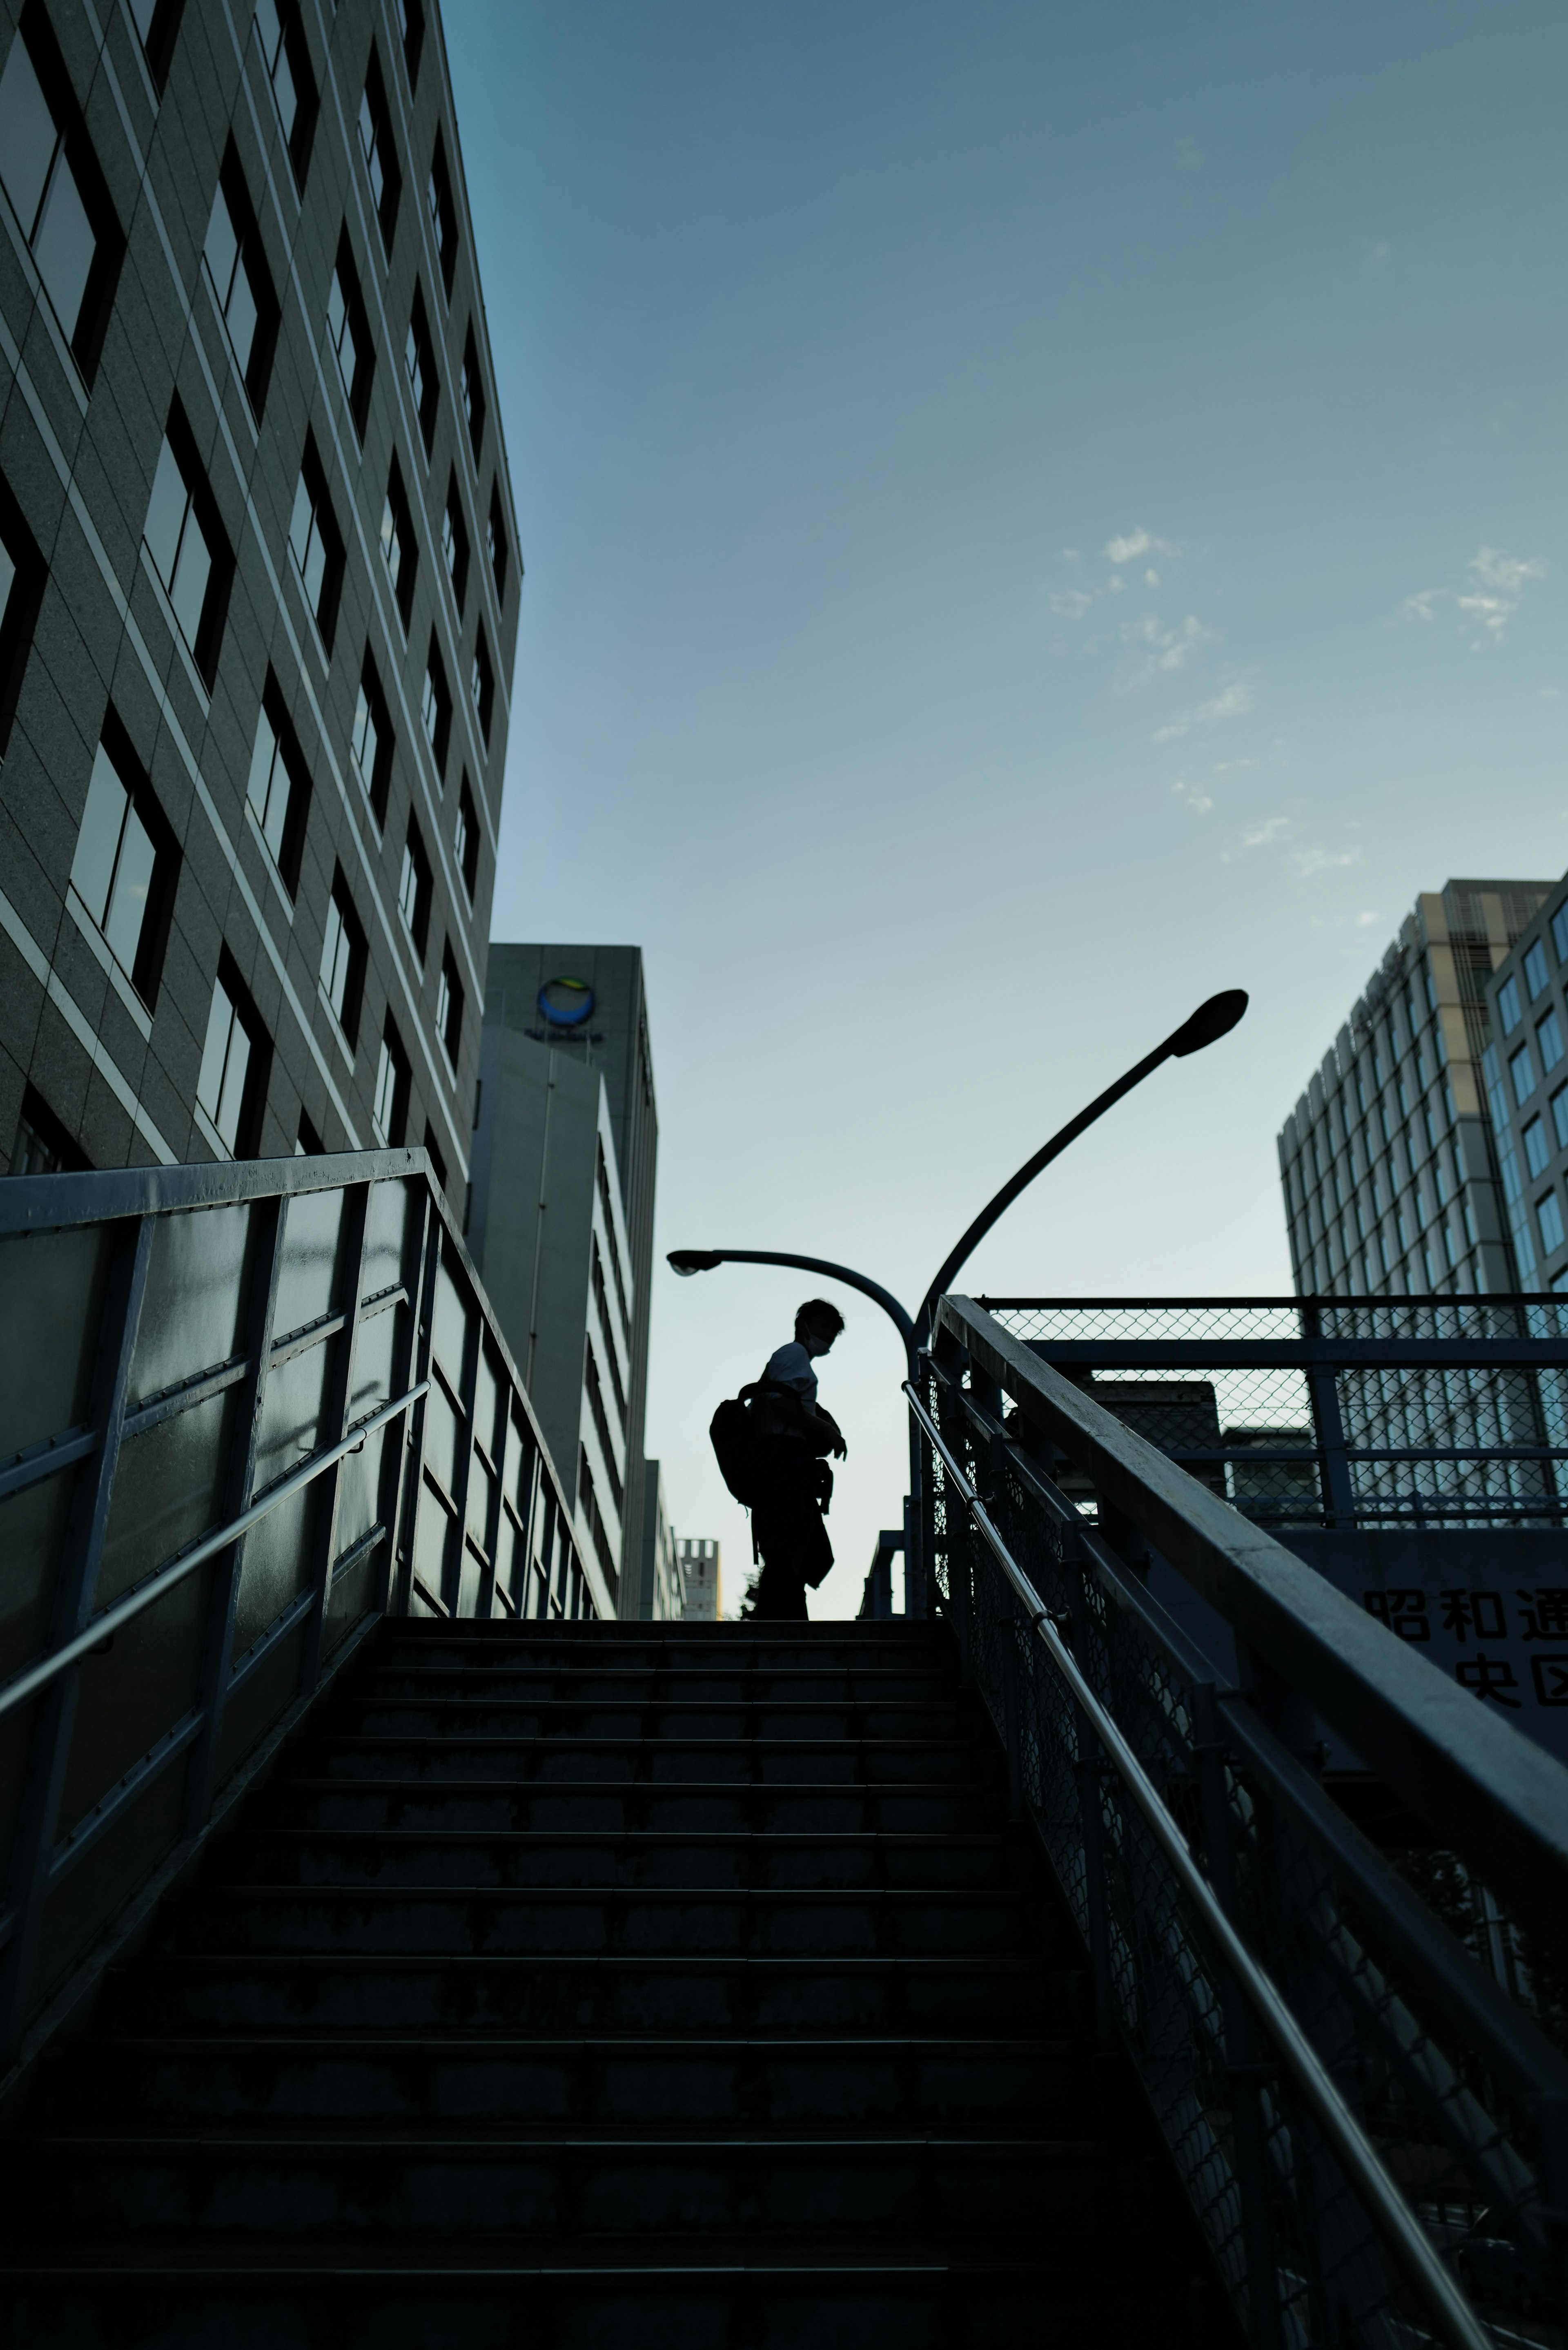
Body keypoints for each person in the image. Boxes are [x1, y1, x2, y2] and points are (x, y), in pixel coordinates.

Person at [746, 1300, 847, 1621]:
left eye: (832, 1334)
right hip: (782, 1459)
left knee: (792, 1547)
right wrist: (827, 1431)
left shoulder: (797, 1359)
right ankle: (782, 1624)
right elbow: (780, 1402)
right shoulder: (794, 1354)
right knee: (790, 1546)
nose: (827, 1337)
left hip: (782, 1459)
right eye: (823, 1328)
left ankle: (785, 1619)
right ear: (803, 1324)